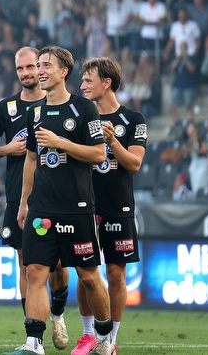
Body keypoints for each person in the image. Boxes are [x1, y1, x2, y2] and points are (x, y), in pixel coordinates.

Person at [3, 47, 114, 355]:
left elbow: (98, 154)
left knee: (89, 276)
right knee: (35, 271)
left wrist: (61, 142)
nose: (40, 70)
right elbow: (29, 159)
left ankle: (106, 340)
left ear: (64, 71)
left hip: (77, 208)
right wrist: (24, 202)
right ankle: (33, 343)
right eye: (38, 65)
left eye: (46, 65)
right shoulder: (34, 112)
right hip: (42, 207)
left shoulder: (84, 109)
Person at [0, 48, 70, 349]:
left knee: (58, 264)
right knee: (25, 264)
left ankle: (57, 314)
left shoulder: (55, 104)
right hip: (17, 197)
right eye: (21, 69)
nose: (27, 73)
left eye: (31, 66)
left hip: (54, 196)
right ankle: (34, 333)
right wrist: (8, 149)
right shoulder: (6, 108)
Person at [77, 57, 147, 355]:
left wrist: (112, 142)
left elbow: (134, 164)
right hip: (83, 206)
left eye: (88, 79)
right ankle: (88, 335)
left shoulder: (134, 119)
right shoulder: (80, 116)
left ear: (107, 82)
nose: (82, 85)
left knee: (116, 274)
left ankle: (110, 340)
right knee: (85, 272)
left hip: (118, 207)